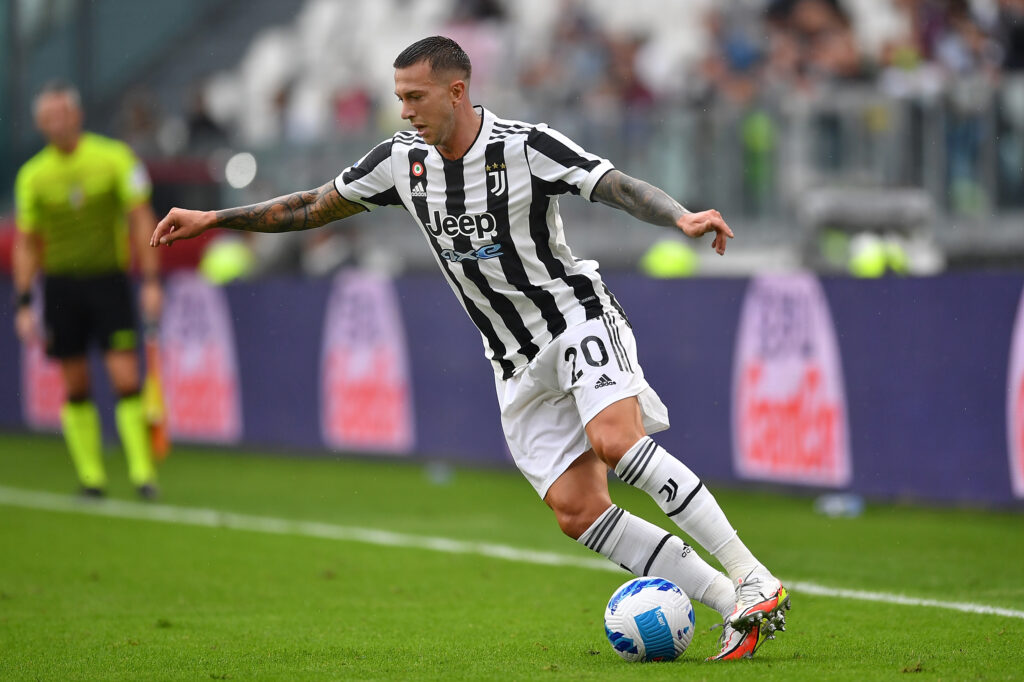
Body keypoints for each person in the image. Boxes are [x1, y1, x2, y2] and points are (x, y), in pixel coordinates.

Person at [151, 37, 789, 660]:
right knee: (577, 512)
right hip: (512, 360)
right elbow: (315, 205)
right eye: (399, 98)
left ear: (456, 91)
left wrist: (680, 216)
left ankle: (752, 575)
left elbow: (613, 184)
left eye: (416, 97)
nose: (405, 111)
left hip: (573, 319)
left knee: (615, 442)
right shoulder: (400, 160)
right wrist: (215, 219)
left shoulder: (525, 146)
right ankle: (732, 601)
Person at [13, 80, 162, 500]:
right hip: (61, 287)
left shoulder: (113, 158)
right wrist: (23, 301)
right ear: (40, 124)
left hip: (108, 281)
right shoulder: (33, 176)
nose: (56, 123)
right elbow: (27, 243)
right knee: (75, 384)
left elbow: (140, 218)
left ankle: (142, 474)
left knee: (125, 377)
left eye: (61, 114)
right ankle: (92, 478)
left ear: (77, 116)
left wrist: (151, 281)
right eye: (48, 118)